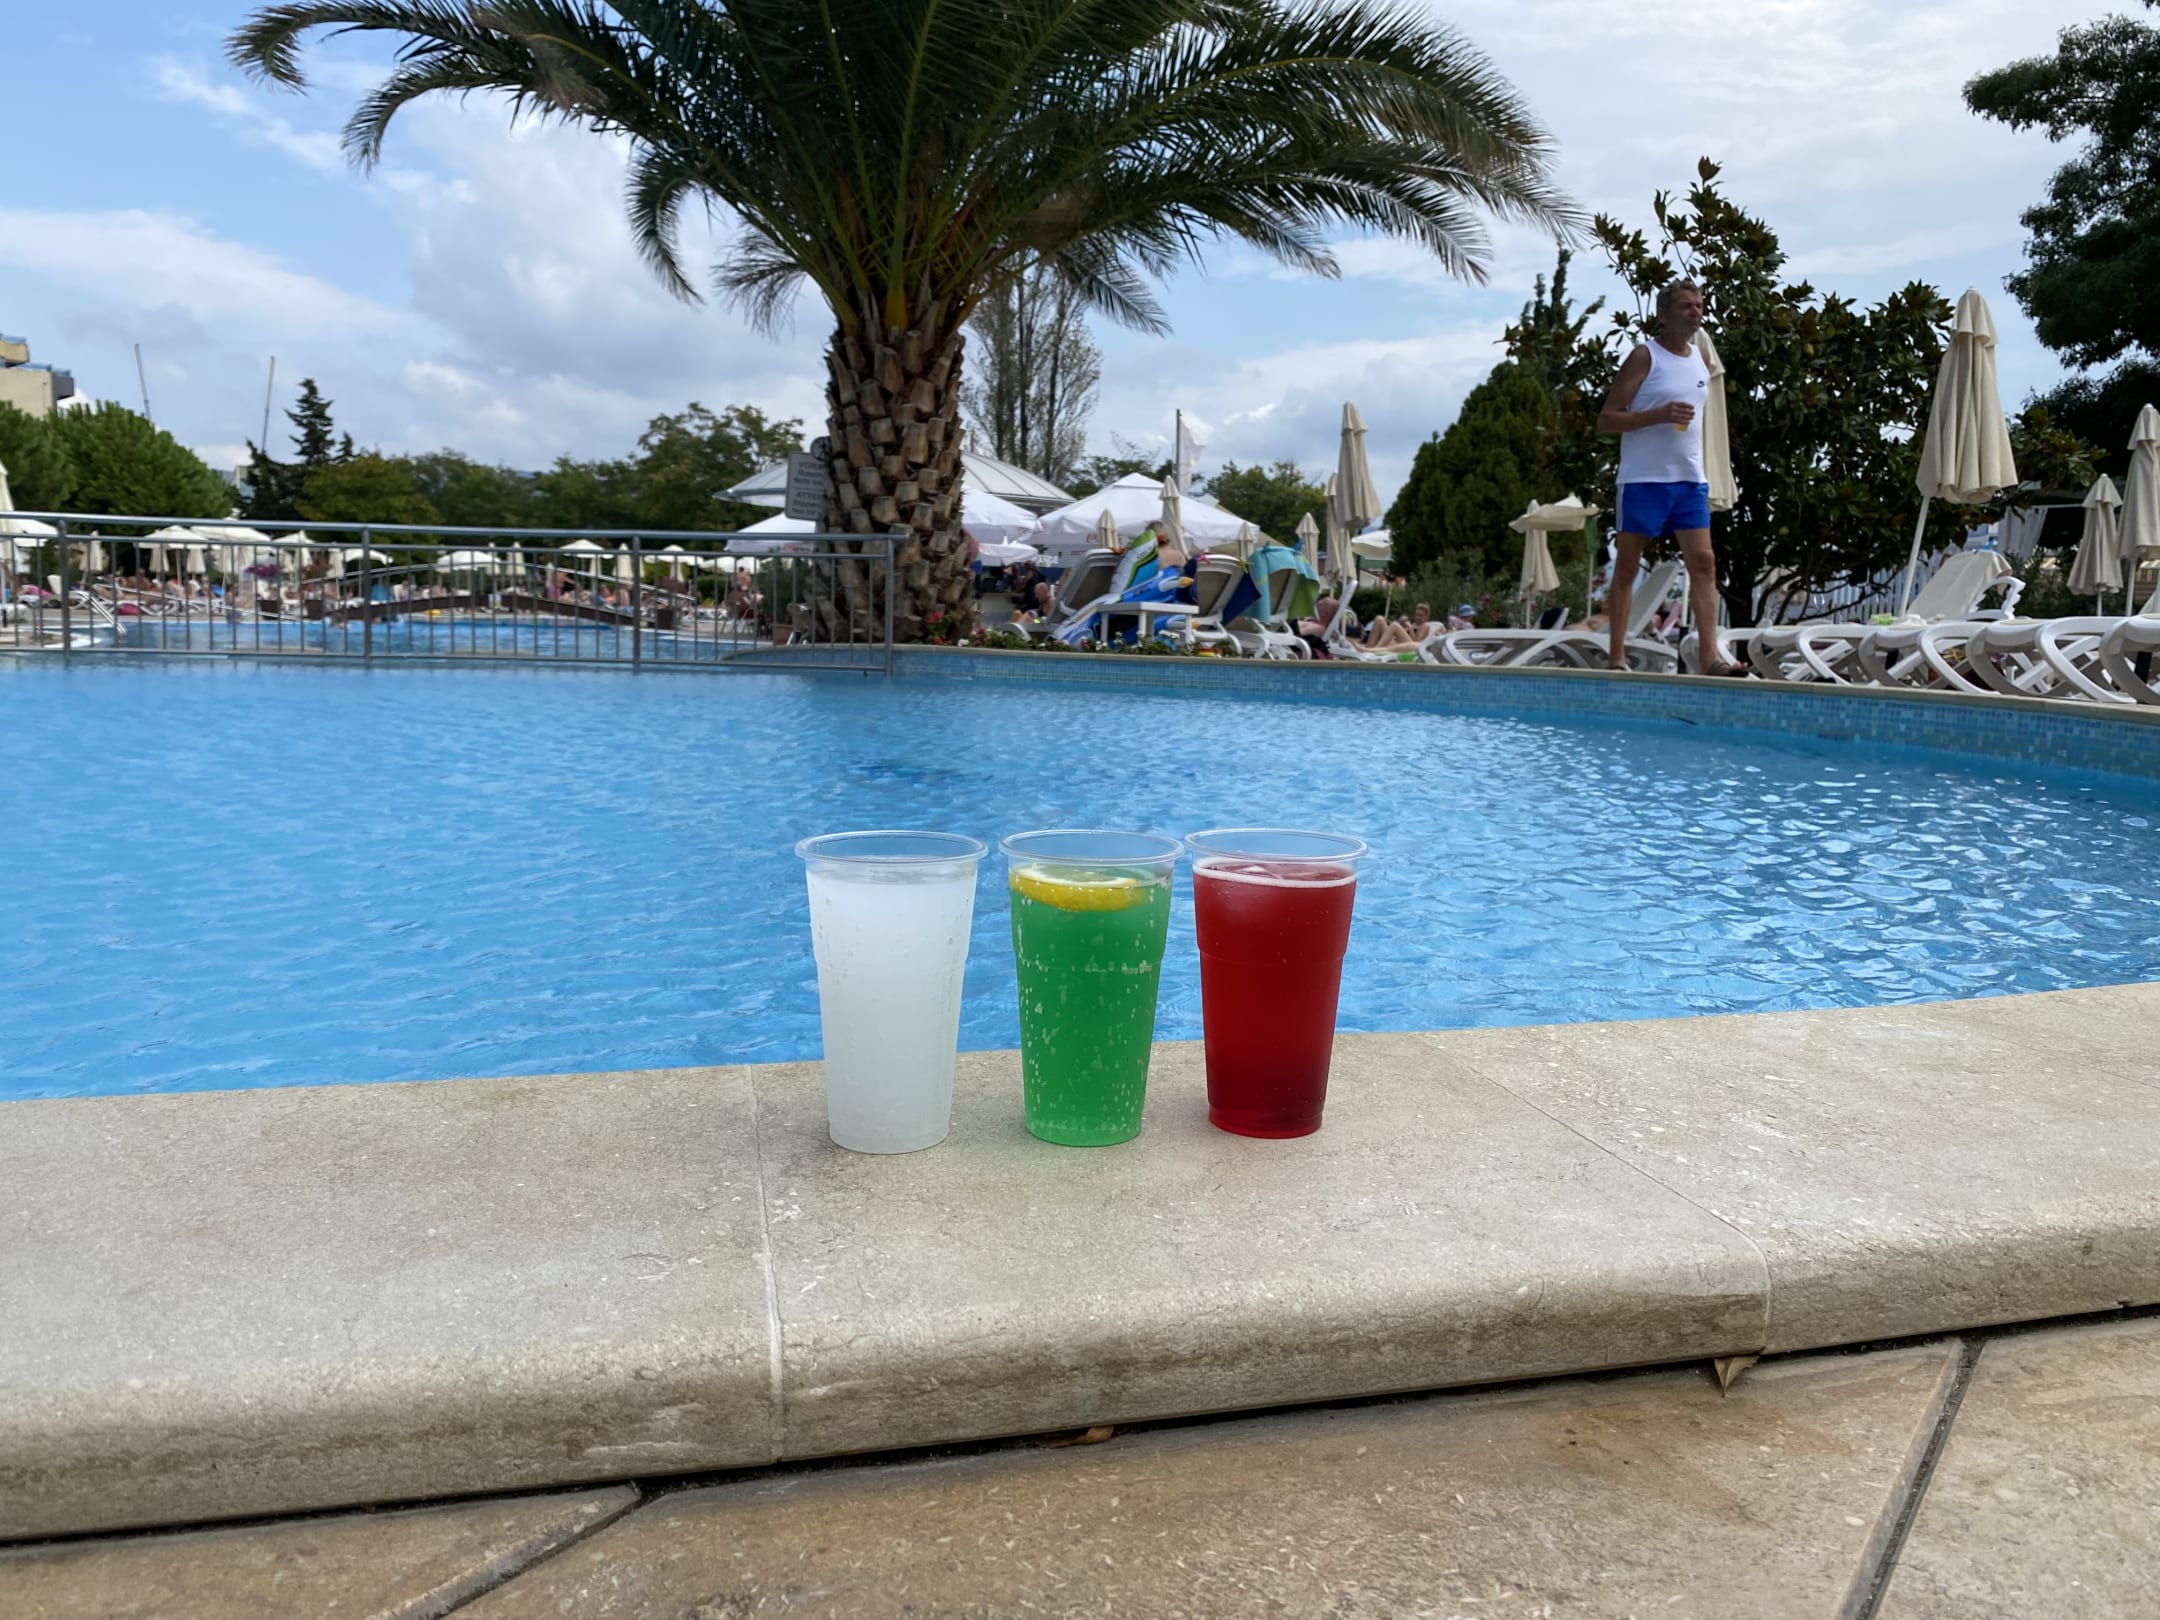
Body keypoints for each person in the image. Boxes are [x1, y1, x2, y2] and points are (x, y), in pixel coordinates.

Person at [1597, 278, 1745, 675]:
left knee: (1704, 561)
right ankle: (1616, 657)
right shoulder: (1645, 357)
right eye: (1685, 306)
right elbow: (1606, 420)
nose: (1695, 312)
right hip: (1643, 479)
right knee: (1627, 566)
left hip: (1689, 478)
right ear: (1663, 314)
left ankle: (1710, 658)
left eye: (1699, 306)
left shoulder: (1701, 357)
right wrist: (1657, 415)